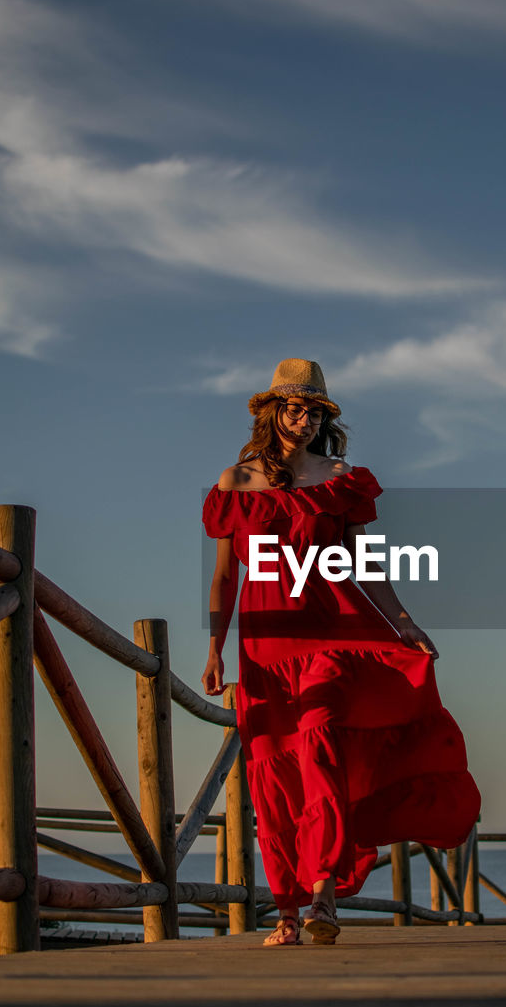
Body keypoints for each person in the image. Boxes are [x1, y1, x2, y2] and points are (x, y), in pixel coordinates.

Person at [201, 359, 481, 945]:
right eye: (294, 407)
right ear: (271, 411)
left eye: (315, 411)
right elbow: (225, 577)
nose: (304, 419)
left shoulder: (340, 478)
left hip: (334, 634)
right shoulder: (235, 483)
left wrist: (403, 623)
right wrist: (214, 649)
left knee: (321, 754)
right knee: (274, 776)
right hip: (264, 644)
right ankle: (284, 911)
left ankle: (323, 899)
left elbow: (364, 565)